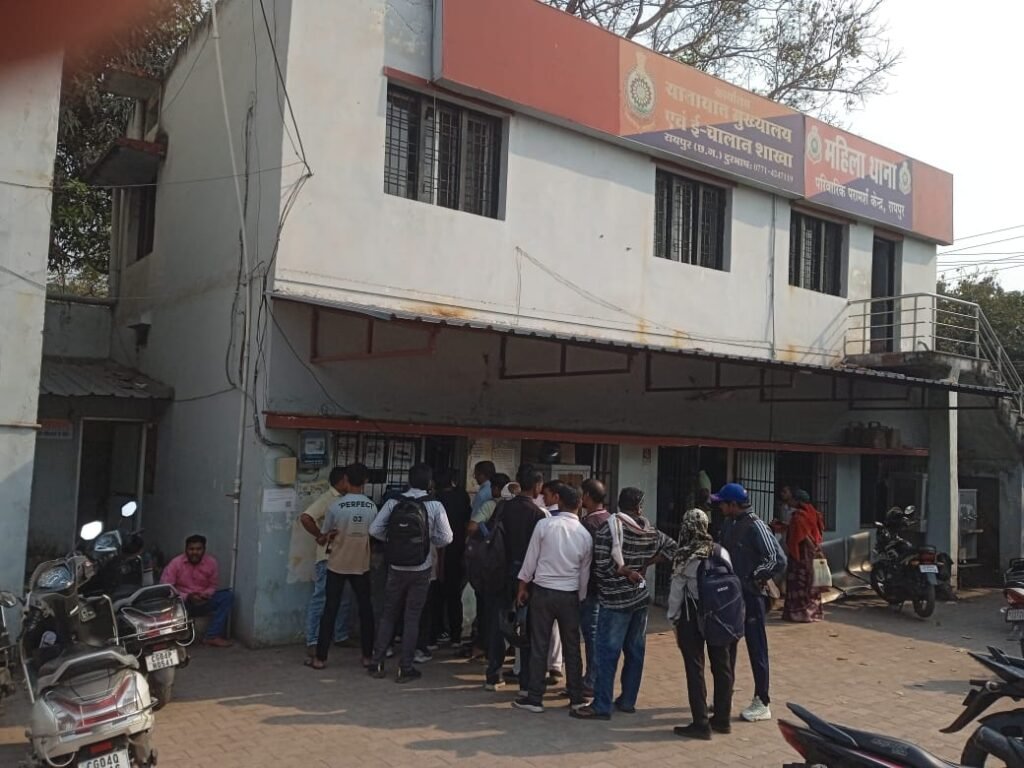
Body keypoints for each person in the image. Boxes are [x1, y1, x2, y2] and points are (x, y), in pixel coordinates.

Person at [572, 487, 676, 721]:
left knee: (607, 654)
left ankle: (601, 705)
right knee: (635, 651)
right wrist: (647, 562)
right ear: (639, 507)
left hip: (613, 601)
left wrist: (624, 571)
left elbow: (601, 566)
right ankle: (628, 701)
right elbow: (673, 548)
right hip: (639, 598)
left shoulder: (608, 530)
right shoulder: (649, 531)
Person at [367, 463, 453, 683]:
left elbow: (374, 529)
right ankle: (405, 667)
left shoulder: (393, 502)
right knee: (412, 617)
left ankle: (377, 662)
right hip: (421, 568)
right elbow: (447, 537)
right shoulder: (435, 505)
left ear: (409, 480)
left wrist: (392, 542)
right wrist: (428, 542)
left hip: (395, 567)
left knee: (388, 614)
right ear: (429, 483)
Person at [512, 484, 592, 714]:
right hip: (570, 595)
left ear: (559, 501)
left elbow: (531, 560)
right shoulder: (585, 535)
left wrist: (522, 586)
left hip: (543, 592)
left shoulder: (545, 525)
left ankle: (535, 698)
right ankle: (576, 697)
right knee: (572, 647)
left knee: (539, 645)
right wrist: (580, 598)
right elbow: (584, 574)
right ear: (579, 504)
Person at [717, 483, 784, 722]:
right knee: (726, 645)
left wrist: (755, 576)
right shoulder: (729, 523)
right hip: (730, 595)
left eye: (723, 503)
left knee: (757, 648)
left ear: (734, 504)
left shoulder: (756, 526)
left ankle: (762, 700)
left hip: (751, 596)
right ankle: (723, 696)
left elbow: (777, 559)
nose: (720, 507)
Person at [669, 509, 735, 740]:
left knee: (695, 668)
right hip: (720, 615)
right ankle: (723, 719)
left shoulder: (685, 556)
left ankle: (701, 723)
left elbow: (676, 594)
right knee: (722, 666)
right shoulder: (720, 551)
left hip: (691, 616)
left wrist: (673, 619)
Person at [484, 463, 546, 692]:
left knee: (498, 624)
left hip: (500, 571)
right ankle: (525, 683)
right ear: (537, 486)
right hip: (526, 577)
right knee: (525, 628)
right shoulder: (537, 515)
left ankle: (493, 675)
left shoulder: (503, 507)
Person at [311, 463, 378, 669]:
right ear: (365, 482)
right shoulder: (372, 507)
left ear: (346, 480)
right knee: (365, 609)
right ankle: (367, 656)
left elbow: (326, 534)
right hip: (361, 564)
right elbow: (375, 533)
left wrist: (325, 537)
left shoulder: (336, 507)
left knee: (330, 609)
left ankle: (320, 658)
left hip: (337, 564)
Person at [298, 467, 353, 659]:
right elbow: (306, 517)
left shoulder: (347, 499)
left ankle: (340, 635)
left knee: (344, 598)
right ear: (343, 480)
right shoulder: (328, 499)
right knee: (321, 598)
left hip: (344, 556)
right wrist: (320, 535)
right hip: (327, 557)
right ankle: (313, 640)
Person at [161, 535, 233, 647]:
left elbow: (213, 585)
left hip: (203, 601)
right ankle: (170, 637)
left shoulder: (211, 562)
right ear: (186, 549)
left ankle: (211, 636)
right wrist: (187, 596)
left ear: (204, 549)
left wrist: (206, 595)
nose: (195, 552)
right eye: (191, 549)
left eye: (198, 549)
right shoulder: (176, 563)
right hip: (182, 603)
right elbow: (166, 588)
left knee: (227, 597)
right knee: (166, 602)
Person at [579, 478, 609, 696]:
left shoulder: (588, 524)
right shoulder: (610, 519)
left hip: (590, 586)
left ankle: (591, 680)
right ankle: (592, 677)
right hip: (606, 586)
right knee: (597, 635)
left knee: (591, 635)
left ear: (587, 496)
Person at [435, 469, 471, 646]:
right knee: (454, 594)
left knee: (436, 595)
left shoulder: (435, 500)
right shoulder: (462, 496)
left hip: (437, 550)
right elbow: (467, 521)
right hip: (457, 549)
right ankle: (456, 635)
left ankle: (437, 632)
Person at [783, 490, 825, 623]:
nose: (789, 501)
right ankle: (814, 612)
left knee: (798, 582)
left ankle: (800, 613)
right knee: (810, 582)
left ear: (798, 501)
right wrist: (817, 550)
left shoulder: (798, 516)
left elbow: (803, 535)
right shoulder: (814, 513)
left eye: (792, 499)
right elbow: (817, 532)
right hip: (813, 553)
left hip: (801, 553)